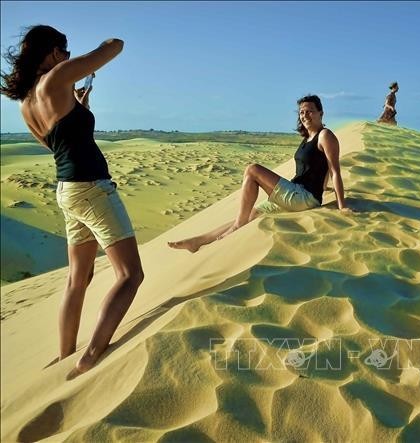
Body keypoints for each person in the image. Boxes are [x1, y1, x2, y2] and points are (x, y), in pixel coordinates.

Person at [0, 25, 144, 376]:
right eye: (63, 51)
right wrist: (90, 57)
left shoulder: (27, 104)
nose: (66, 57)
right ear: (52, 52)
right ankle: (90, 356)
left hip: (67, 191)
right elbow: (115, 45)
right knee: (130, 274)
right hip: (91, 188)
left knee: (77, 279)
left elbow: (58, 144)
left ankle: (65, 354)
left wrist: (78, 108)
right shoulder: (57, 77)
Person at [168, 94, 350, 253]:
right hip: (297, 194)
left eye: (310, 111)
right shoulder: (307, 138)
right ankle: (198, 241)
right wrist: (323, 187)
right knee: (250, 214)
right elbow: (319, 169)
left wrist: (342, 206)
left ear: (321, 113)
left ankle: (237, 226)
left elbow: (334, 169)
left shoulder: (325, 135)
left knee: (252, 169)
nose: (305, 115)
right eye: (302, 112)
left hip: (303, 197)